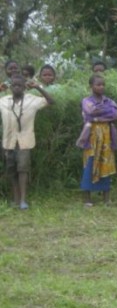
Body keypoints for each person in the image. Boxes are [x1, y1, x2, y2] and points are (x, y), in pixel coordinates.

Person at [0, 75, 54, 209]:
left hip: (25, 141)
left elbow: (51, 101)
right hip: (8, 141)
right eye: (13, 85)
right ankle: (16, 198)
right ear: (10, 87)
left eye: (19, 85)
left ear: (25, 87)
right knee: (11, 170)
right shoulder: (3, 101)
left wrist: (38, 87)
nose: (16, 87)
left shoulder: (32, 100)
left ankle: (23, 199)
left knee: (23, 169)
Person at [77, 74, 117, 206]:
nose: (101, 87)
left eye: (103, 84)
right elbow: (90, 112)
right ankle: (87, 198)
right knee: (89, 164)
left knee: (106, 164)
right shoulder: (86, 101)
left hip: (107, 138)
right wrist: (105, 115)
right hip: (91, 138)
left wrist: (98, 116)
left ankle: (106, 198)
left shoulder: (109, 101)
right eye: (98, 84)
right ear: (91, 86)